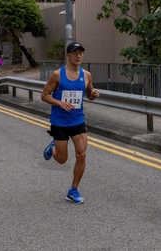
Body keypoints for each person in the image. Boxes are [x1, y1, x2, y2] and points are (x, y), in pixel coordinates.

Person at [40, 42, 100, 204]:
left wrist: (94, 94)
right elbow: (44, 95)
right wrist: (60, 103)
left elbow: (89, 95)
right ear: (67, 55)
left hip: (78, 120)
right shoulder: (57, 75)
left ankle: (73, 190)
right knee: (62, 160)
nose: (78, 56)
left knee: (82, 154)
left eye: (81, 53)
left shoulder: (86, 75)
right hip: (60, 122)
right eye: (74, 53)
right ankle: (53, 147)